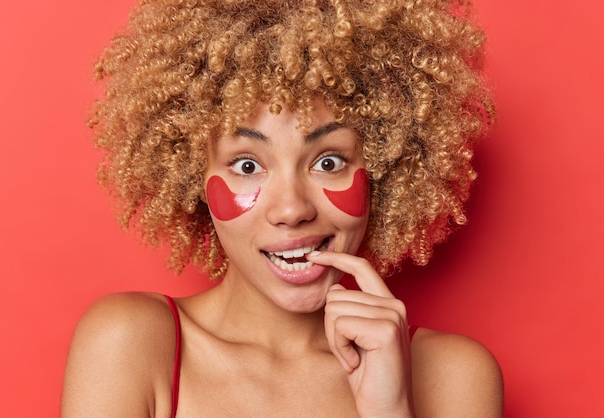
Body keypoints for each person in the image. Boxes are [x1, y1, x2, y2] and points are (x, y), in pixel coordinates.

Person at [62, 0, 503, 416]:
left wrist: (389, 412)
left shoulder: (452, 375)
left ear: (387, 166)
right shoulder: (131, 344)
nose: (292, 210)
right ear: (191, 174)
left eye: (328, 162)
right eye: (248, 165)